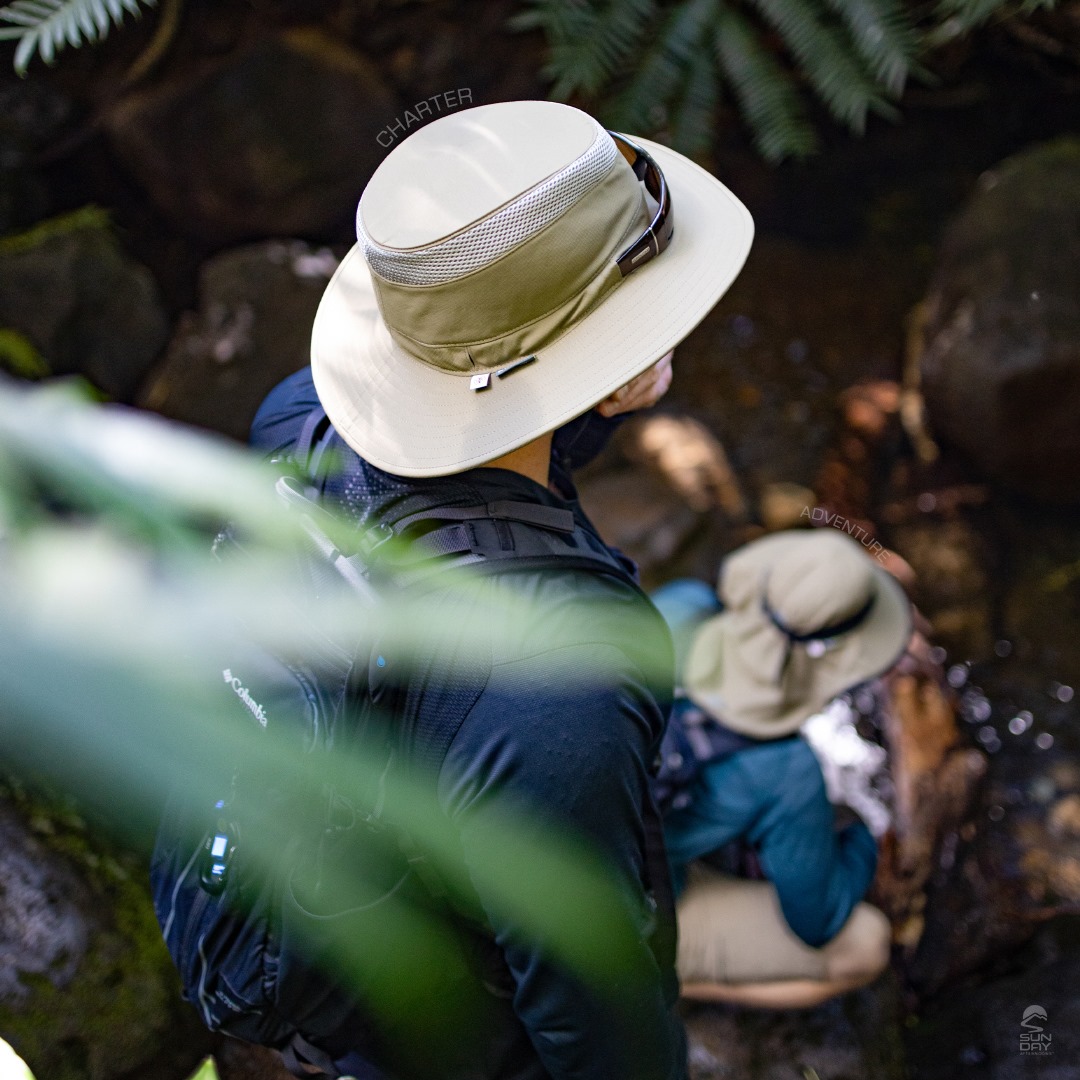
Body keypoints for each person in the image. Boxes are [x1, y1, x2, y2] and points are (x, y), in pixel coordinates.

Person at [249, 99, 754, 1079]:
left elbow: (470, 465)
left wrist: (594, 397)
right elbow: (598, 1025)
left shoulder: (295, 415)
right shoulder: (560, 683)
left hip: (329, 928)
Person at [651, 530, 912, 1010]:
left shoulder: (678, 608)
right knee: (865, 944)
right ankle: (654, 989)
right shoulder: (787, 770)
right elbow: (818, 922)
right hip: (589, 925)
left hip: (508, 867)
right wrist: (863, 840)